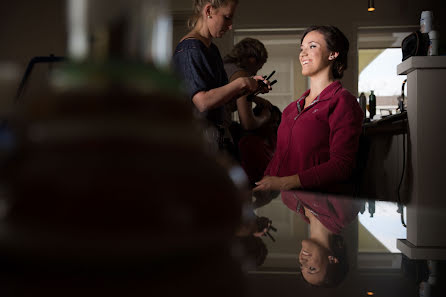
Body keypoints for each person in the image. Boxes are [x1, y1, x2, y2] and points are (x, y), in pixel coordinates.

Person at [253, 25, 364, 193]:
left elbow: (342, 166)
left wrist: (284, 183)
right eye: (302, 48)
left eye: (312, 46)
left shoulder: (343, 102)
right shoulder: (291, 109)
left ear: (333, 54)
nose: (303, 53)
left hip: (320, 205)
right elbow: (279, 158)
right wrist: (264, 186)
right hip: (287, 202)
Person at [173, 0, 271, 152]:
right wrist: (242, 82)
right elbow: (203, 102)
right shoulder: (190, 49)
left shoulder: (211, 49)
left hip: (216, 142)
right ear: (209, 11)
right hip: (198, 146)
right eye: (227, 17)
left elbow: (221, 100)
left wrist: (251, 86)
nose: (230, 25)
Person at [281, 190, 361, 287]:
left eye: (302, 266)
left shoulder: (289, 201)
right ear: (332, 260)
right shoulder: (344, 213)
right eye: (312, 269)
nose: (303, 262)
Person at [223, 38, 272, 131]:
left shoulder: (225, 67)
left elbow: (227, 97)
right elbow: (248, 124)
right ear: (252, 60)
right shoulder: (241, 76)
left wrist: (254, 98)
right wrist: (265, 116)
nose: (254, 74)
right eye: (257, 68)